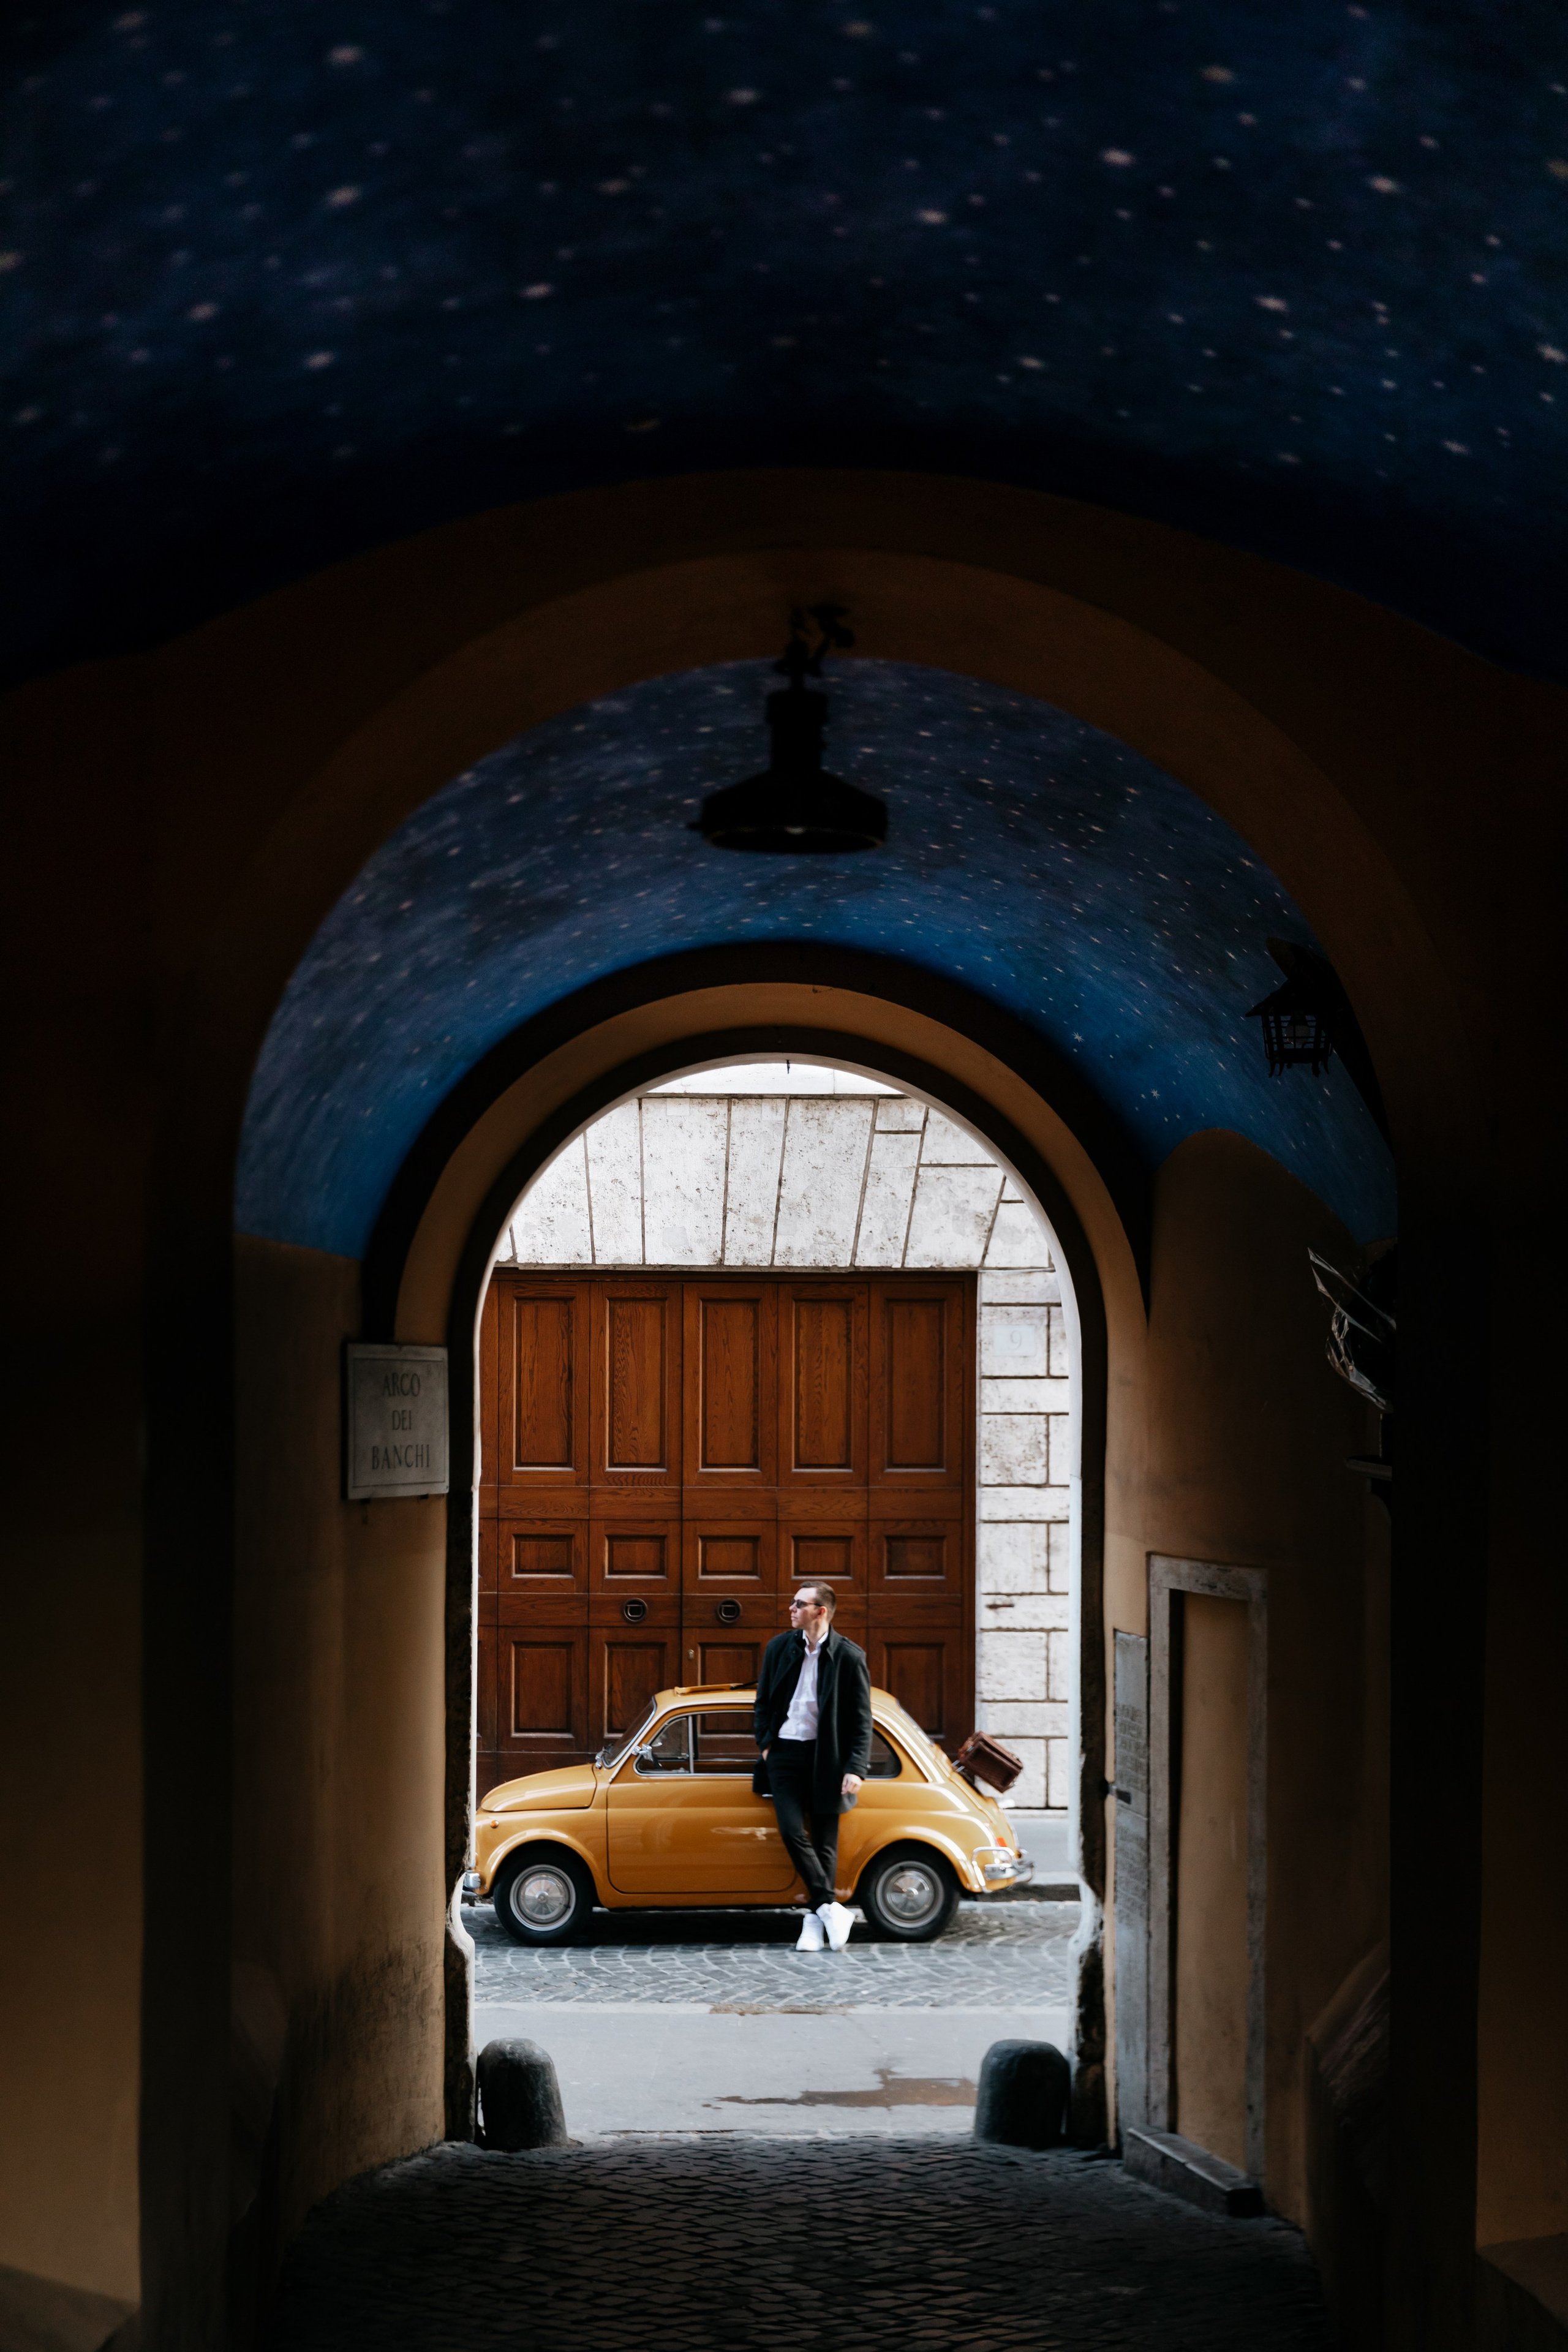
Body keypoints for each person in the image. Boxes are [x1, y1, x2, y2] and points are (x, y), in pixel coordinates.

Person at [753, 1582, 873, 1951]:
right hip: (785, 1753)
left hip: (827, 1757)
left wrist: (856, 1767)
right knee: (791, 1830)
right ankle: (832, 1908)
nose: (792, 1608)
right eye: (793, 1602)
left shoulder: (849, 1657)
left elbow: (861, 1719)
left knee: (825, 1843)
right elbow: (762, 1701)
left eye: (800, 1604)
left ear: (820, 1612)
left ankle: (813, 1922)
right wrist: (768, 1745)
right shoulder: (779, 1648)